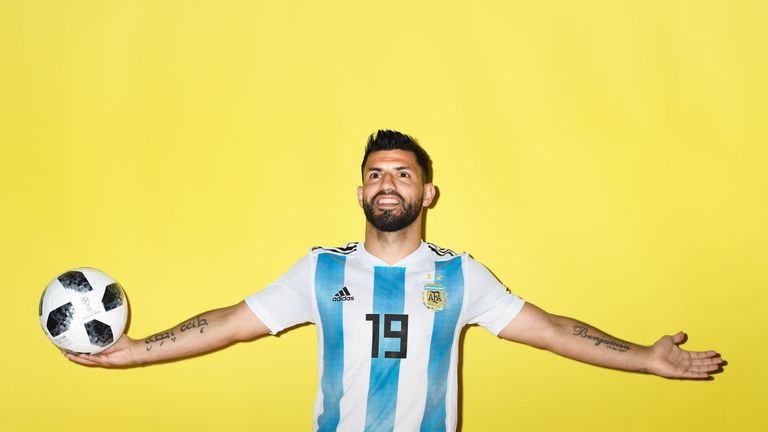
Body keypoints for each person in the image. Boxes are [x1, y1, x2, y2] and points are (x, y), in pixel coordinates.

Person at [66, 130, 724, 431]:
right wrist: (134, 350)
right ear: (360, 190)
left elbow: (552, 332)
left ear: (428, 192)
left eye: (403, 173)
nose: (389, 182)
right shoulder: (321, 270)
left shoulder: (459, 276)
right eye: (377, 173)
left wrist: (644, 359)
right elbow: (231, 323)